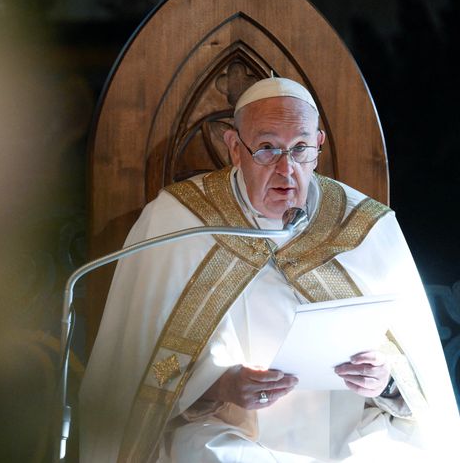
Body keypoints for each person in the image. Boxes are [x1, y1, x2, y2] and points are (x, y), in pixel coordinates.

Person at [79, 77, 459, 462]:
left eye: (300, 149)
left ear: (319, 145)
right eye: (266, 149)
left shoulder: (364, 227)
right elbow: (136, 374)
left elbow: (420, 380)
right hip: (227, 433)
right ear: (233, 148)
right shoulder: (180, 223)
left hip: (347, 436)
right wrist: (220, 387)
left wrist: (385, 381)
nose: (286, 168)